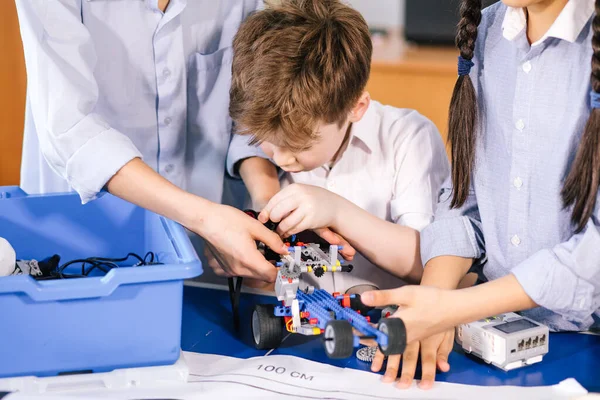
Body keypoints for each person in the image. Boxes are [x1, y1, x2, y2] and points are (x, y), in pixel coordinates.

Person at [361, 0, 600, 390]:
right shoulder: (488, 31)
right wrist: (434, 297)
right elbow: (469, 194)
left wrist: (451, 307)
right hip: (496, 335)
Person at [15, 0, 292, 281]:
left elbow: (251, 102)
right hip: (78, 233)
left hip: (217, 247)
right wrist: (205, 219)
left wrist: (264, 203)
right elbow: (71, 128)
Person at [222, 0, 449, 296]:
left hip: (383, 325)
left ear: (356, 107)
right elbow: (246, 148)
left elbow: (429, 264)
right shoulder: (270, 124)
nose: (281, 158)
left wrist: (336, 211)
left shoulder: (408, 138)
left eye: (298, 145)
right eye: (264, 139)